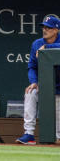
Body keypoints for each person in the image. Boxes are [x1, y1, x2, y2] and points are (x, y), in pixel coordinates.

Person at [15, 14, 60, 145]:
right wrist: (34, 82)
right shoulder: (37, 43)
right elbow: (32, 67)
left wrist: (47, 48)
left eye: (49, 28)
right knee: (30, 92)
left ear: (56, 30)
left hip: (59, 87)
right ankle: (29, 134)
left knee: (58, 132)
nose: (45, 30)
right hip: (45, 85)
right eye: (44, 27)